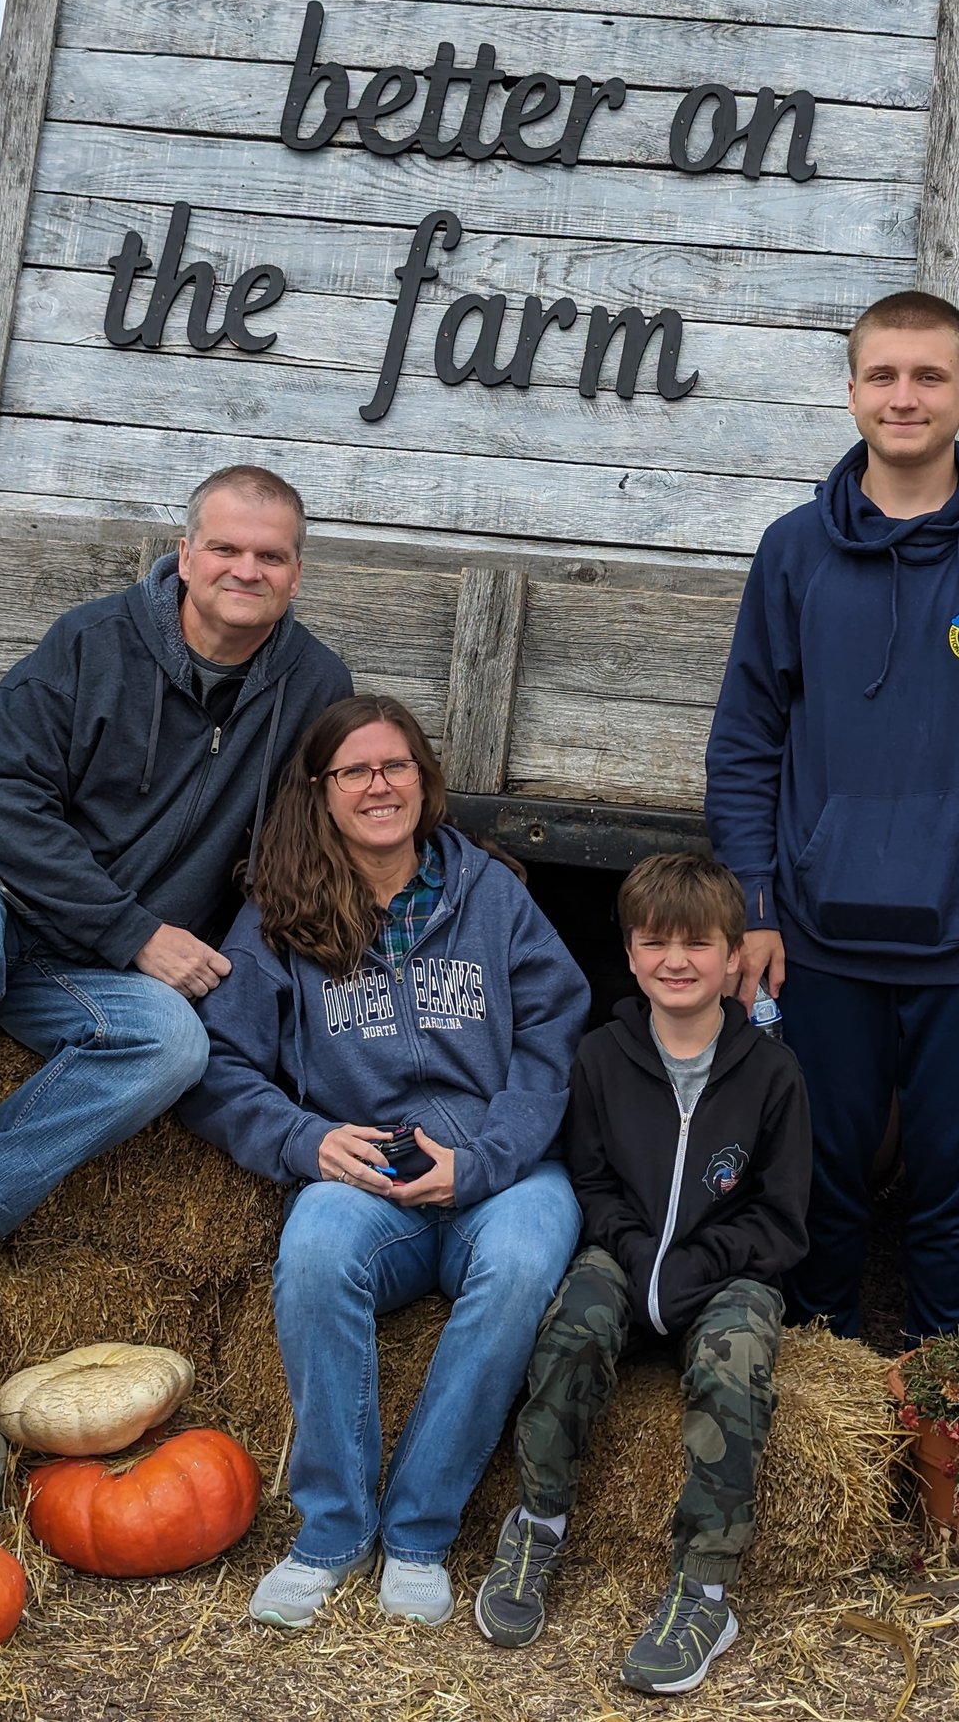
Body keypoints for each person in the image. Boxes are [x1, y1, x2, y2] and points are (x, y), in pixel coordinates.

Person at [0, 465, 351, 1313]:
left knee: (173, 1042)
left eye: (270, 556)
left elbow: (287, 852)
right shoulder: (91, 642)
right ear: (185, 554)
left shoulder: (314, 686)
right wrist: (134, 932)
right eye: (225, 548)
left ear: (297, 573)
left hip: (72, 955)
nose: (247, 569)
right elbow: (5, 802)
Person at [705, 290, 959, 1343]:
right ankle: (819, 1394)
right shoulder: (793, 551)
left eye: (929, 376)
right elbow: (746, 741)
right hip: (817, 938)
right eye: (882, 375)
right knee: (819, 1182)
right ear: (850, 395)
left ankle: (945, 1410)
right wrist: (753, 903)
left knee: (950, 1192)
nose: (904, 396)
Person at [177, 693, 589, 1633]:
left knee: (525, 1260)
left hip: (503, 1173)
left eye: (395, 765)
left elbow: (554, 1046)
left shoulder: (491, 894)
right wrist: (304, 1138)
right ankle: (331, 1531)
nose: (378, 785)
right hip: (372, 1179)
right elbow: (216, 1066)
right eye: (354, 770)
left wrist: (485, 1158)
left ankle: (418, 1532)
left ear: (423, 777)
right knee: (315, 1249)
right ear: (321, 792)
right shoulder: (282, 913)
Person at [473, 852, 810, 1696]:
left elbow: (781, 1220)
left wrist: (694, 1266)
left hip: (727, 1271)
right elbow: (589, 1179)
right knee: (572, 1321)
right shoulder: (600, 1057)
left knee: (735, 1360)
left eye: (698, 943)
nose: (676, 960)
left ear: (735, 957)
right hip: (626, 1255)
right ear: (629, 953)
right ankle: (537, 1522)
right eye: (655, 941)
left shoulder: (773, 1073)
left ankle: (704, 1591)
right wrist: (634, 1256)